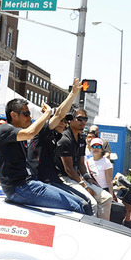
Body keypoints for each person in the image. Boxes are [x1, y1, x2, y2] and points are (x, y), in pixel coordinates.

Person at [0, 98, 88, 213]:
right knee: (76, 206)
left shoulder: (18, 134)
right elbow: (31, 133)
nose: (29, 117)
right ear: (14, 115)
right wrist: (47, 113)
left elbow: (1, 162)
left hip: (30, 184)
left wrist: (73, 93)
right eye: (26, 114)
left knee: (79, 203)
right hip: (20, 188)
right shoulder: (5, 129)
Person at [26, 79, 93, 214]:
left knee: (87, 203)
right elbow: (58, 114)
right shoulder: (42, 132)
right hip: (41, 182)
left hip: (53, 181)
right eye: (60, 121)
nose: (63, 123)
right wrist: (73, 94)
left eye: (65, 121)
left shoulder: (58, 136)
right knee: (80, 205)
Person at [56, 108, 113, 219]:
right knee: (92, 203)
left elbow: (81, 164)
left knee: (107, 198)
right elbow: (69, 169)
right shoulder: (65, 140)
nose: (83, 122)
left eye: (85, 119)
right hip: (65, 178)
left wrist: (88, 178)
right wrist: (85, 186)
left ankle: (103, 228)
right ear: (70, 120)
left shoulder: (82, 139)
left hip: (77, 177)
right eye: (80, 118)